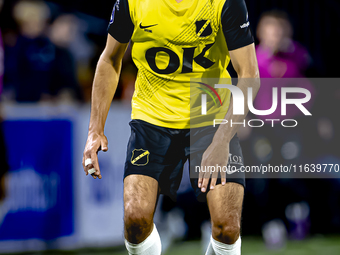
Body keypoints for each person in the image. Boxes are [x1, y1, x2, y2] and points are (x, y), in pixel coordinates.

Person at [82, 0, 260, 254]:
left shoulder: (224, 2)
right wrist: (95, 130)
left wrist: (221, 141)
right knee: (135, 220)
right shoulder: (132, 2)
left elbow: (249, 74)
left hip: (210, 117)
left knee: (227, 228)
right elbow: (110, 59)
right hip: (153, 119)